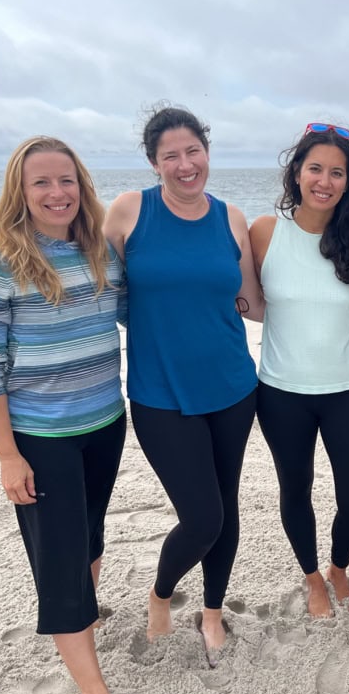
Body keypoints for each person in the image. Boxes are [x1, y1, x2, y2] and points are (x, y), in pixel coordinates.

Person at [0, 137, 134, 694]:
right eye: (42, 183)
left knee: (88, 538)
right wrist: (9, 456)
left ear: (82, 187)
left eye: (67, 181)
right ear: (21, 192)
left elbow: (140, 313)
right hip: (41, 436)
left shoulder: (101, 254)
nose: (57, 193)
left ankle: (81, 617)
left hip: (106, 423)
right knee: (60, 560)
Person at [104, 105, 263, 664]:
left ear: (208, 153)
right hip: (159, 394)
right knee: (203, 517)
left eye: (193, 151)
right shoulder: (129, 211)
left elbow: (248, 300)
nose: (184, 163)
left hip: (234, 388)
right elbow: (93, 283)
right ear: (154, 163)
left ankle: (213, 611)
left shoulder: (232, 218)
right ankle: (160, 595)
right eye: (170, 155)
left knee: (228, 507)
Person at [248, 123, 349, 618]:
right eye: (315, 168)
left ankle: (339, 566)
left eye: (337, 172)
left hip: (348, 389)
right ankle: (311, 577)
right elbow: (245, 301)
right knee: (295, 489)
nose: (324, 180)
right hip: (281, 391)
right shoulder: (265, 232)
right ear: (296, 172)